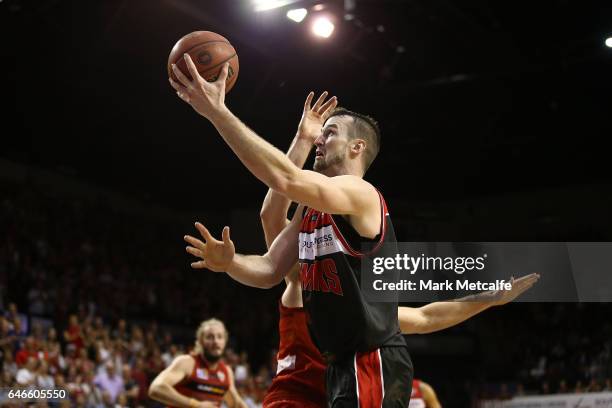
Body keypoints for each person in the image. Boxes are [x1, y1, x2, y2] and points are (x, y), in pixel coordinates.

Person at [253, 93, 539, 407]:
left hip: (348, 386)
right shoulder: (299, 278)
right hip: (303, 397)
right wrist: (302, 140)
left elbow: (427, 317)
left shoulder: (361, 307)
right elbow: (272, 213)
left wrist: (491, 298)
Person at [176, 55, 413, 406]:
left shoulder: (361, 194)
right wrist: (231, 264)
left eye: (329, 134)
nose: (320, 139)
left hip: (371, 359)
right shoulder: (311, 209)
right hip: (338, 364)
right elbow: (271, 269)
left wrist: (218, 113)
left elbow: (285, 178)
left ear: (356, 147)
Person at [148, 318, 247, 408]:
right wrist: (195, 404)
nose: (215, 341)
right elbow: (156, 388)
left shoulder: (226, 371)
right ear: (200, 341)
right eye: (210, 337)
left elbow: (236, 404)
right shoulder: (187, 362)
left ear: (225, 342)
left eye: (220, 337)